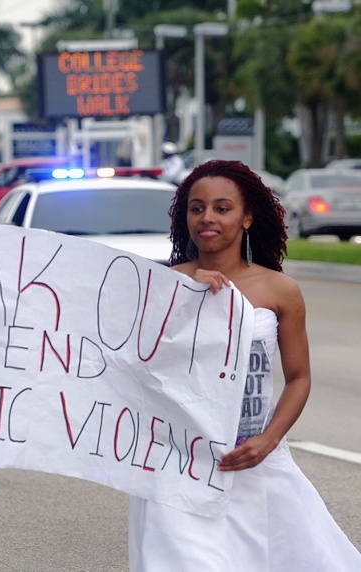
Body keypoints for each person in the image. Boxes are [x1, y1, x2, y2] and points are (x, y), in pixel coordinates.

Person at [129, 160, 361, 571]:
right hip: (181, 466)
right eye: (196, 208)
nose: (207, 219)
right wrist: (188, 300)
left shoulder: (280, 290)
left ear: (247, 217)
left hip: (258, 466)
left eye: (222, 208)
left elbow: (299, 377)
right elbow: (142, 371)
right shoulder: (164, 287)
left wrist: (268, 440)